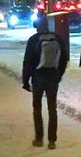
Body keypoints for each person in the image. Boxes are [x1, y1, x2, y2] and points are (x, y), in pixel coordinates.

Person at [22, 17, 69, 149]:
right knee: (52, 108)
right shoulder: (57, 39)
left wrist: (26, 80)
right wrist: (59, 74)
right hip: (53, 76)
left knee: (37, 108)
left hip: (38, 76)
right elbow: (64, 59)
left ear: (37, 27)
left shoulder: (33, 40)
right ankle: (52, 140)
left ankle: (39, 138)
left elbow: (28, 61)